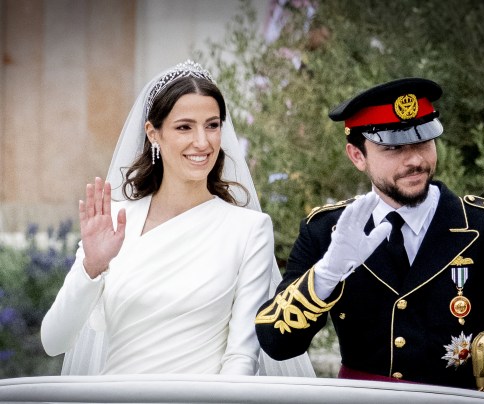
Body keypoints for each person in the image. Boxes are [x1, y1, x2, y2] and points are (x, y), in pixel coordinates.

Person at [255, 78, 484, 400]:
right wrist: (327, 274)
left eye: (423, 141)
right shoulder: (325, 231)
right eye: (393, 148)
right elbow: (276, 344)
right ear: (357, 155)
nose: (415, 161)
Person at [41, 60, 314, 377]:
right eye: (185, 127)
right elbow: (53, 341)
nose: (203, 142)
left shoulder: (249, 229)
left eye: (212, 125)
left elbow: (241, 356)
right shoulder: (115, 222)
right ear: (153, 133)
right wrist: (91, 267)